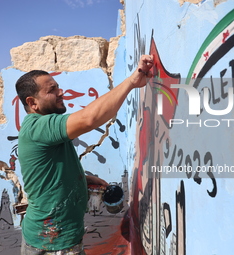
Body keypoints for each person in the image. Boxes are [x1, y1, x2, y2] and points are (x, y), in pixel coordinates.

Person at [16, 55, 154, 255]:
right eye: (51, 90)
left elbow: (49, 173)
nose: (60, 92)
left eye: (57, 86)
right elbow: (90, 119)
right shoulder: (38, 127)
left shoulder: (45, 127)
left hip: (60, 239)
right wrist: (132, 81)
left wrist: (85, 179)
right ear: (32, 102)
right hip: (52, 244)